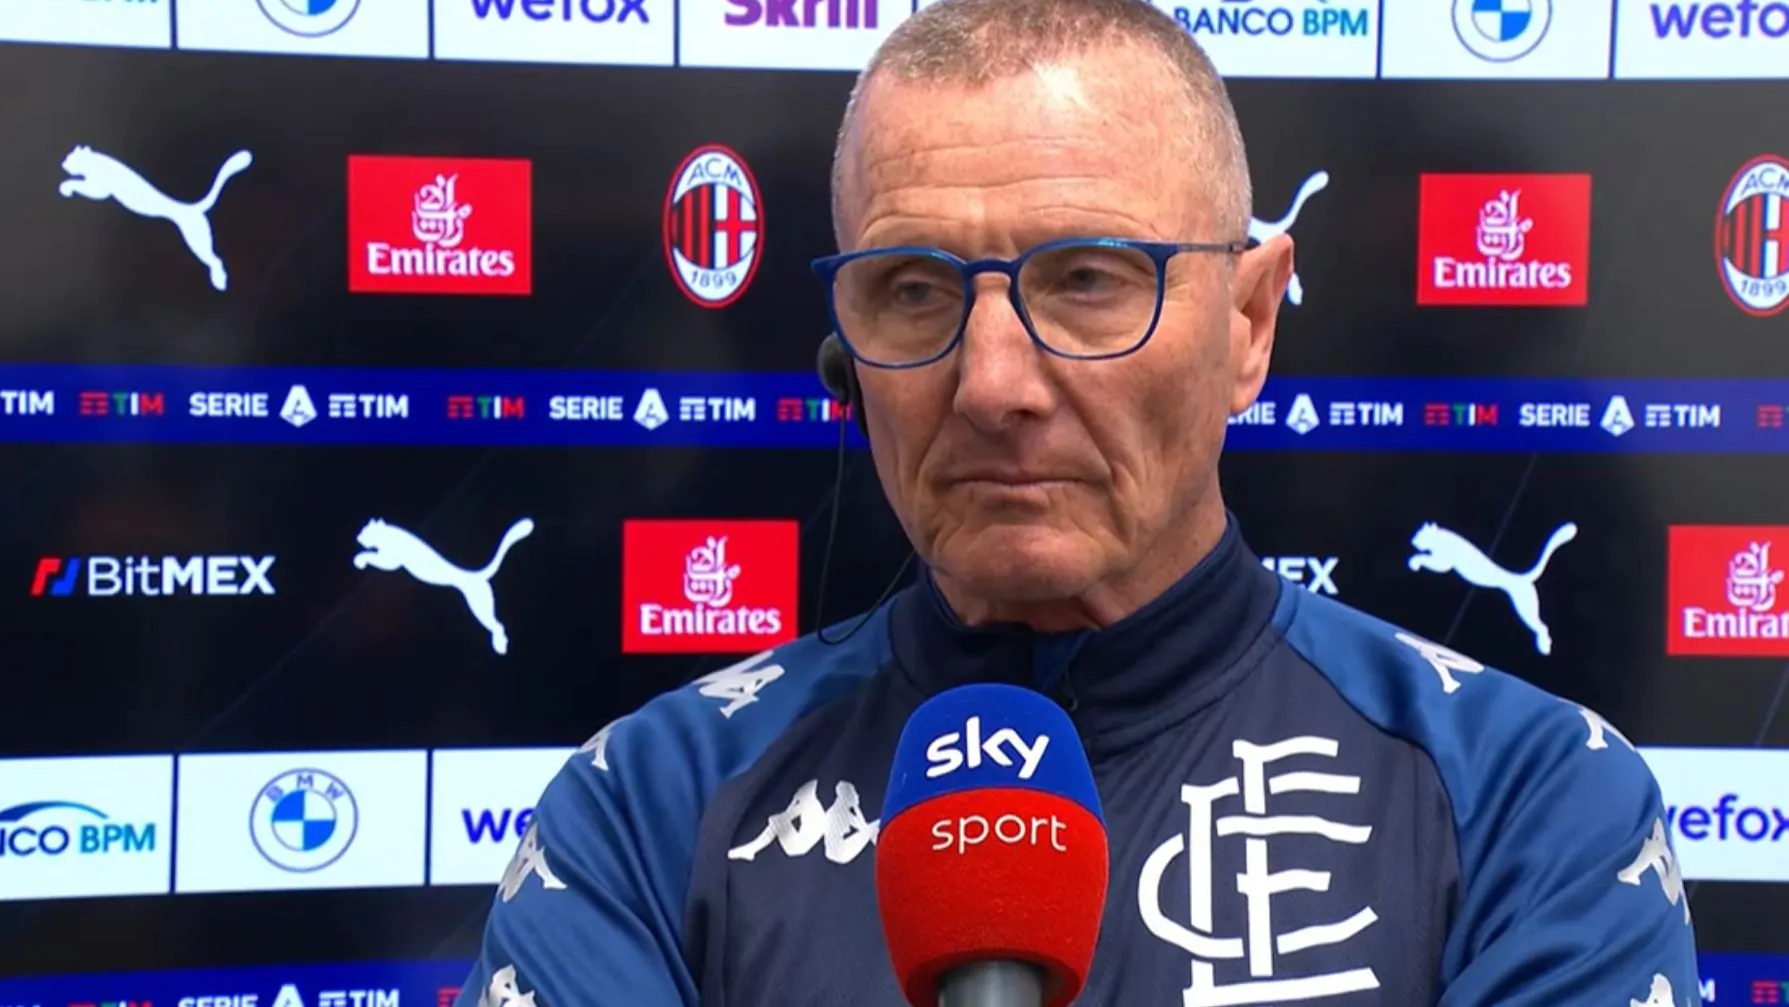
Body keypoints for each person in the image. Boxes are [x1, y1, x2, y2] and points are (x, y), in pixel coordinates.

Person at [453, 0, 1702, 1002]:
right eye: (914, 291)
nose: (993, 385)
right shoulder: (643, 809)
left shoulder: (1533, 803)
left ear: (1249, 321)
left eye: (1088, 279)